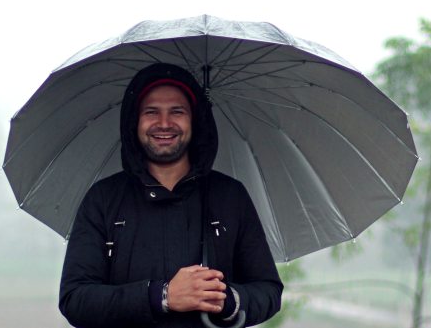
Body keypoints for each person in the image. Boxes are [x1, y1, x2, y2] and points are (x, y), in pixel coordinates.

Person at [59, 63, 282, 328]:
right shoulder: (103, 199)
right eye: (151, 112)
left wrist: (227, 300)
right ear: (135, 121)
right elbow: (75, 299)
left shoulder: (230, 196)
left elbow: (268, 291)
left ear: (195, 121)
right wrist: (161, 295)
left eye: (177, 111)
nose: (164, 124)